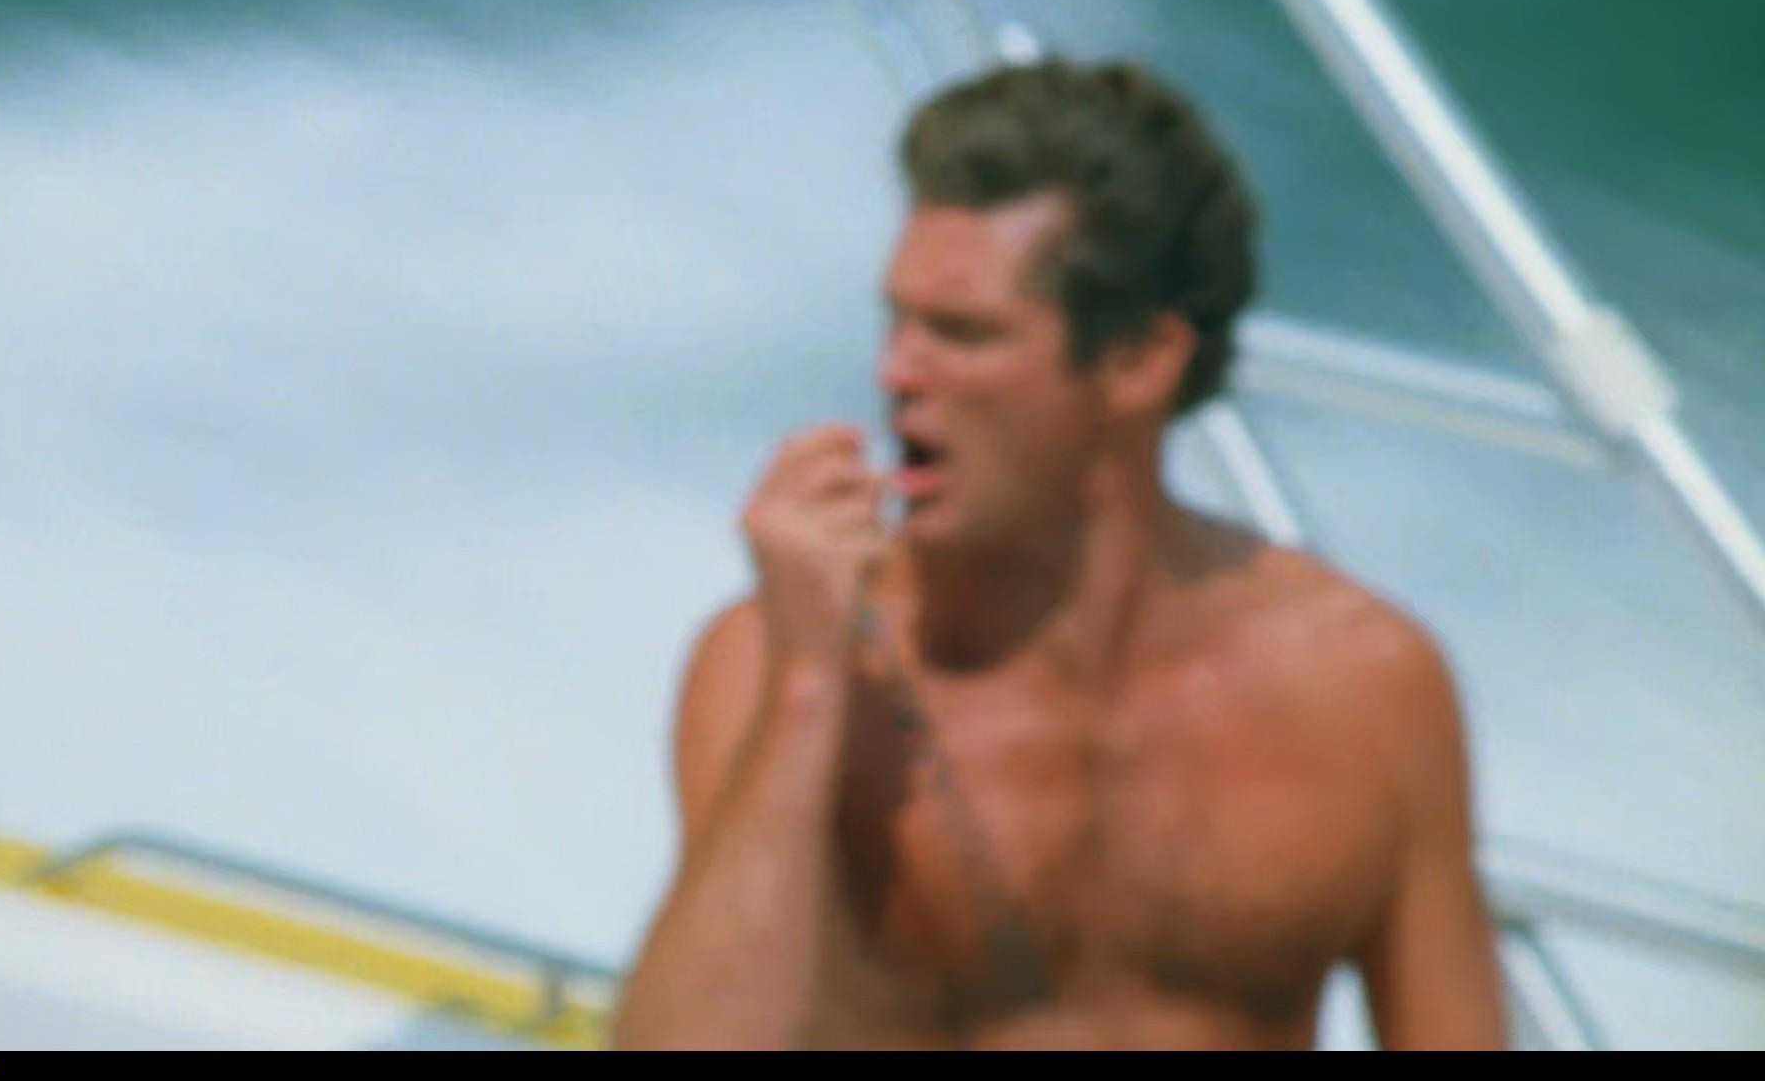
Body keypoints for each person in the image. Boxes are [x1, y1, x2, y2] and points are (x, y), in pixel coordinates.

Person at [612, 59, 1505, 1050]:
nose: (896, 372)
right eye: (896, 321)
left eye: (962, 334)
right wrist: (810, 684)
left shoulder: (1366, 686)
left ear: (1138, 363)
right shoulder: (785, 667)